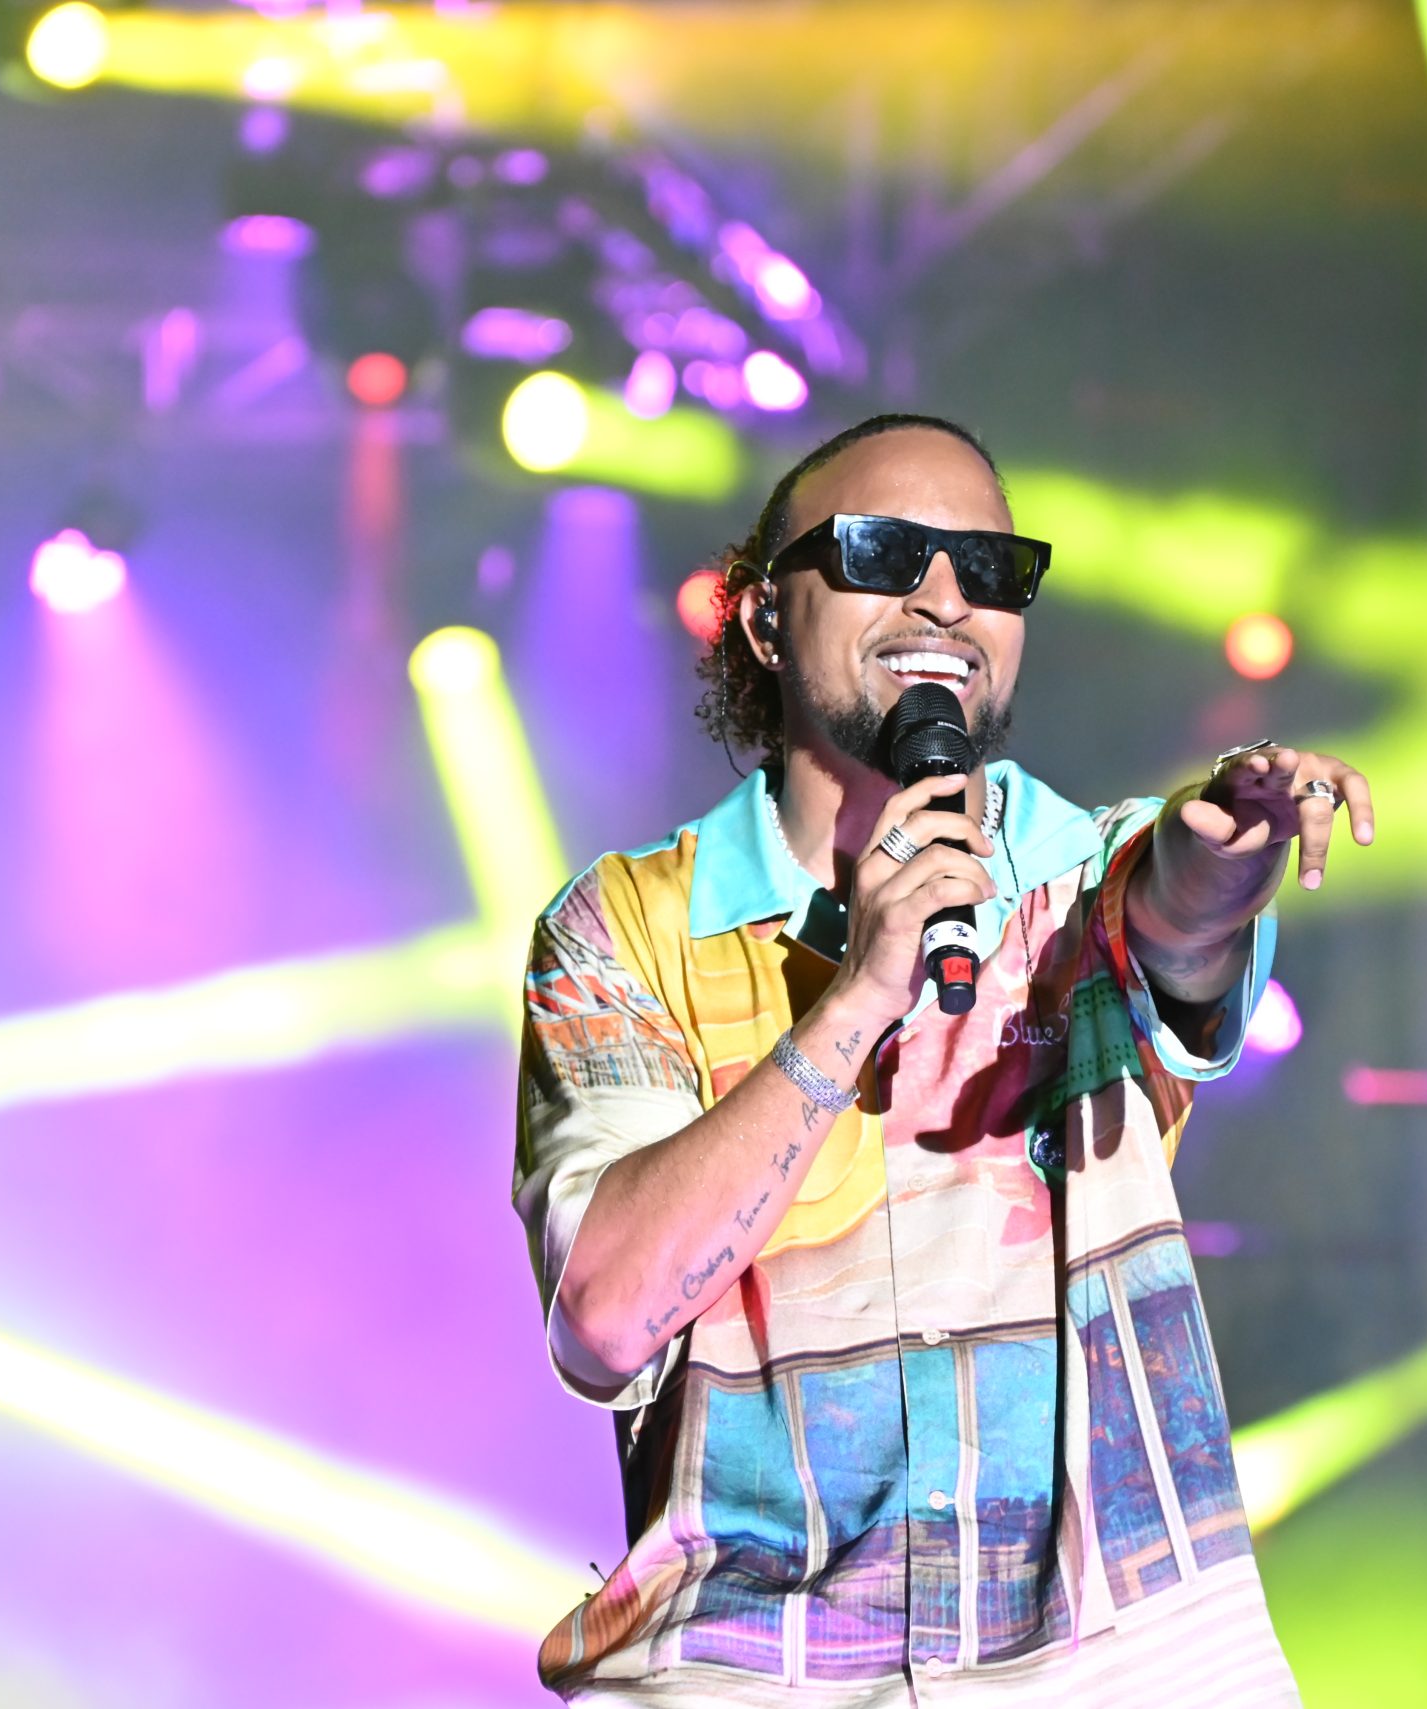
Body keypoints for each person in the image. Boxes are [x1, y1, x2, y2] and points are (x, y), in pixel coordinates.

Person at [513, 415, 1373, 1704]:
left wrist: (1223, 864)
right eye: (883, 551)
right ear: (765, 618)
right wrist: (856, 999)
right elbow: (602, 1322)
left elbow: (1178, 912)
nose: (944, 600)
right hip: (753, 1672)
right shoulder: (627, 927)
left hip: (1106, 1668)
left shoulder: (1085, 880)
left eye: (989, 568)